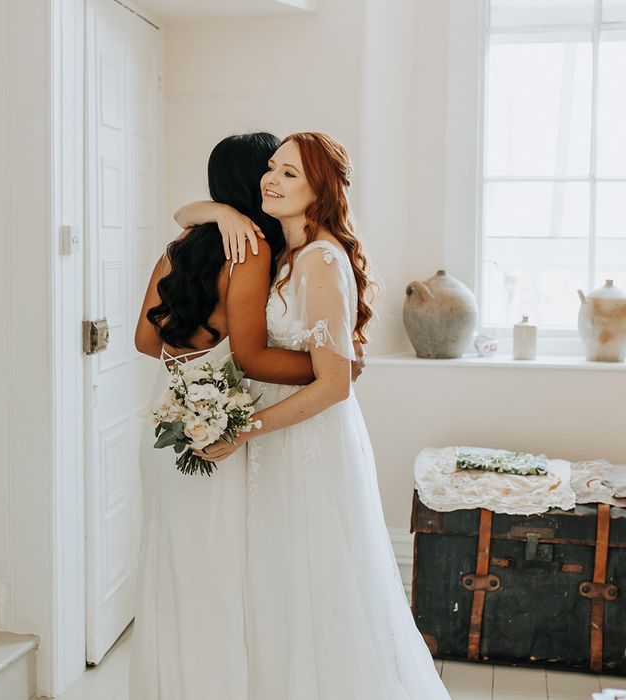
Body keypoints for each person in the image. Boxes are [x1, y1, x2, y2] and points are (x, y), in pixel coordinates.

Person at [196, 132, 452, 699]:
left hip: (307, 441)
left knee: (317, 583)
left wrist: (245, 429)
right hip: (279, 439)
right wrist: (217, 210)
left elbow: (335, 384)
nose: (272, 179)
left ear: (320, 189)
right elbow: (186, 213)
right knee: (283, 584)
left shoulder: (320, 259)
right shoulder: (289, 252)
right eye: (271, 167)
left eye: (290, 173)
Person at [131, 132, 335, 700]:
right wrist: (327, 369)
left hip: (164, 421)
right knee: (216, 578)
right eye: (270, 169)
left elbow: (147, 342)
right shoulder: (253, 250)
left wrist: (191, 366)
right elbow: (249, 356)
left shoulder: (179, 247)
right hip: (211, 435)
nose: (276, 179)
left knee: (170, 567)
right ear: (254, 182)